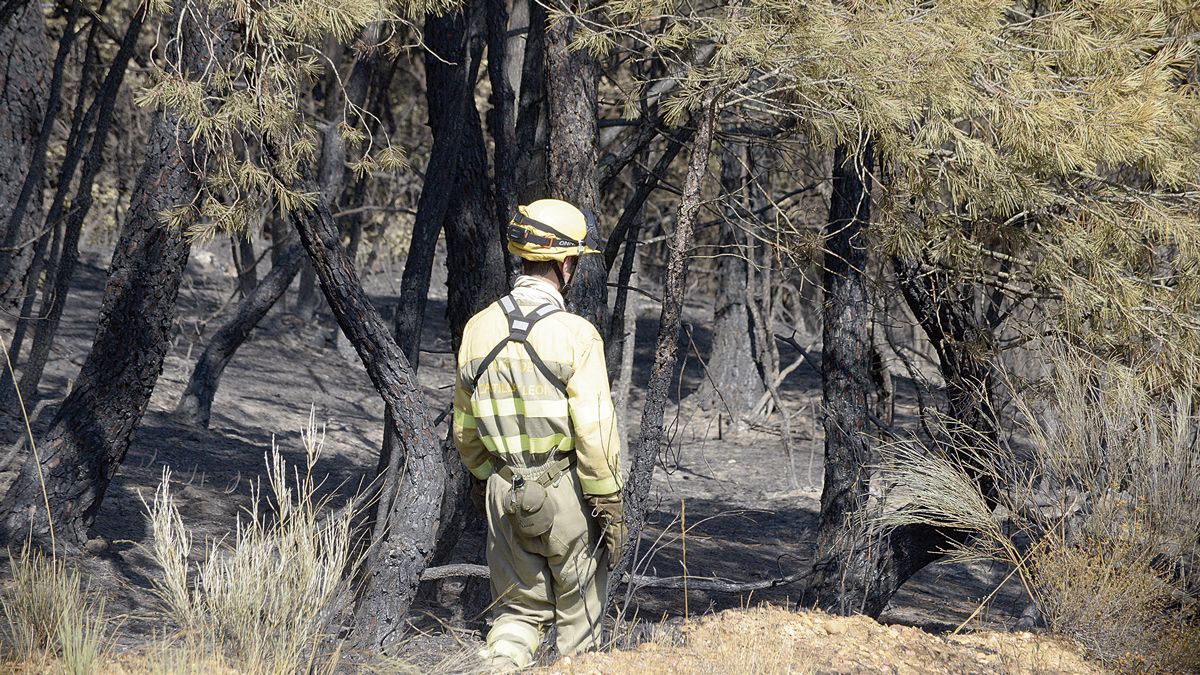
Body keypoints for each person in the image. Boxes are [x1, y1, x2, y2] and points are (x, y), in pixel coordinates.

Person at [452, 198, 626, 671]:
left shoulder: (477, 328)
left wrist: (492, 477)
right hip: (565, 493)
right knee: (580, 626)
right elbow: (594, 432)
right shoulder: (576, 334)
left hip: (502, 490)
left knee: (515, 616)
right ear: (567, 263)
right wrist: (608, 504)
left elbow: (465, 431)